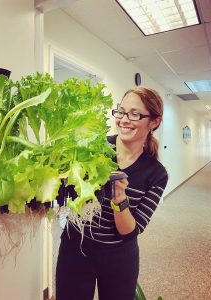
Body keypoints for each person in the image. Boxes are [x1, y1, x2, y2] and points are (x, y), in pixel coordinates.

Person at [56, 87, 168, 300]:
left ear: (154, 122)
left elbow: (129, 231)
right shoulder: (92, 148)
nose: (124, 119)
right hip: (75, 248)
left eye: (135, 114)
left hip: (119, 257)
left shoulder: (156, 174)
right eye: (121, 111)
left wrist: (120, 198)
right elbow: (60, 189)